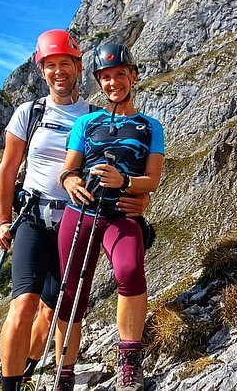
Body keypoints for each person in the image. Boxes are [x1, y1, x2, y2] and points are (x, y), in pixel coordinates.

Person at [0, 31, 148, 391]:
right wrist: (3, 221)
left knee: (52, 311)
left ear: (79, 68)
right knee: (23, 303)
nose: (58, 72)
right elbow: (7, 169)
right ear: (42, 71)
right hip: (33, 218)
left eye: (65, 64)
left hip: (79, 221)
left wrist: (140, 200)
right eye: (50, 66)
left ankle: (28, 371)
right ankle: (9, 387)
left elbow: (125, 168)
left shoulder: (95, 117)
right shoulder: (29, 113)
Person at [55, 43, 164, 391]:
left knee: (130, 270)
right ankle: (64, 373)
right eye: (105, 77)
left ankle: (129, 361)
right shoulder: (86, 123)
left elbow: (153, 180)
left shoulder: (150, 127)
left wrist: (126, 182)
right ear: (98, 83)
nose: (113, 82)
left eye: (120, 74)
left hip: (122, 214)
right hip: (80, 212)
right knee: (71, 292)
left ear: (133, 76)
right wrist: (70, 180)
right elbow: (69, 169)